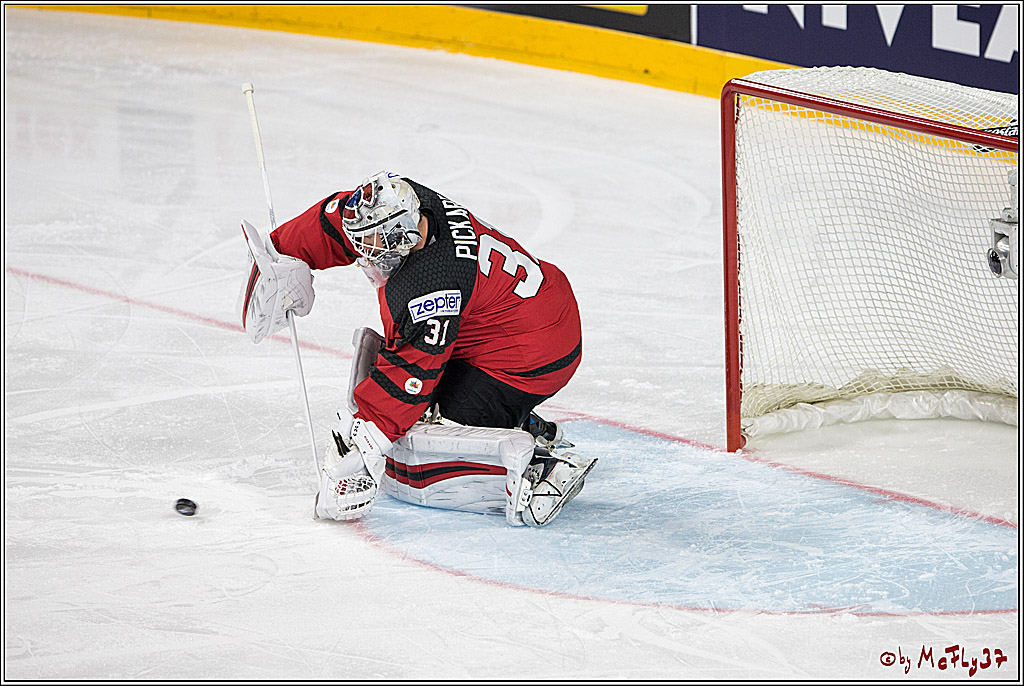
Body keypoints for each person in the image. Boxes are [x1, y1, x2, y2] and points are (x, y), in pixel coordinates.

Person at [237, 171, 595, 526]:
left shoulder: (431, 286)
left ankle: (542, 468)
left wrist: (364, 444)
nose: (364, 253)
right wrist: (281, 252)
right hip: (522, 312)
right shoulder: (402, 204)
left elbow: (411, 375)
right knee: (413, 415)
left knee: (435, 445)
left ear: (403, 239)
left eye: (374, 246)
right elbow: (342, 218)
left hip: (534, 351)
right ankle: (515, 419)